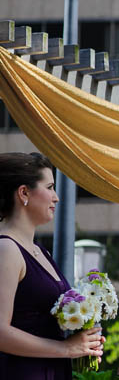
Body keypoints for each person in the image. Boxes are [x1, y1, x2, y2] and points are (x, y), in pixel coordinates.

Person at [0, 152, 104, 378]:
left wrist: (83, 340)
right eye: (49, 187)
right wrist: (67, 349)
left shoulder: (41, 252)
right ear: (24, 193)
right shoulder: (6, 250)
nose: (56, 197)